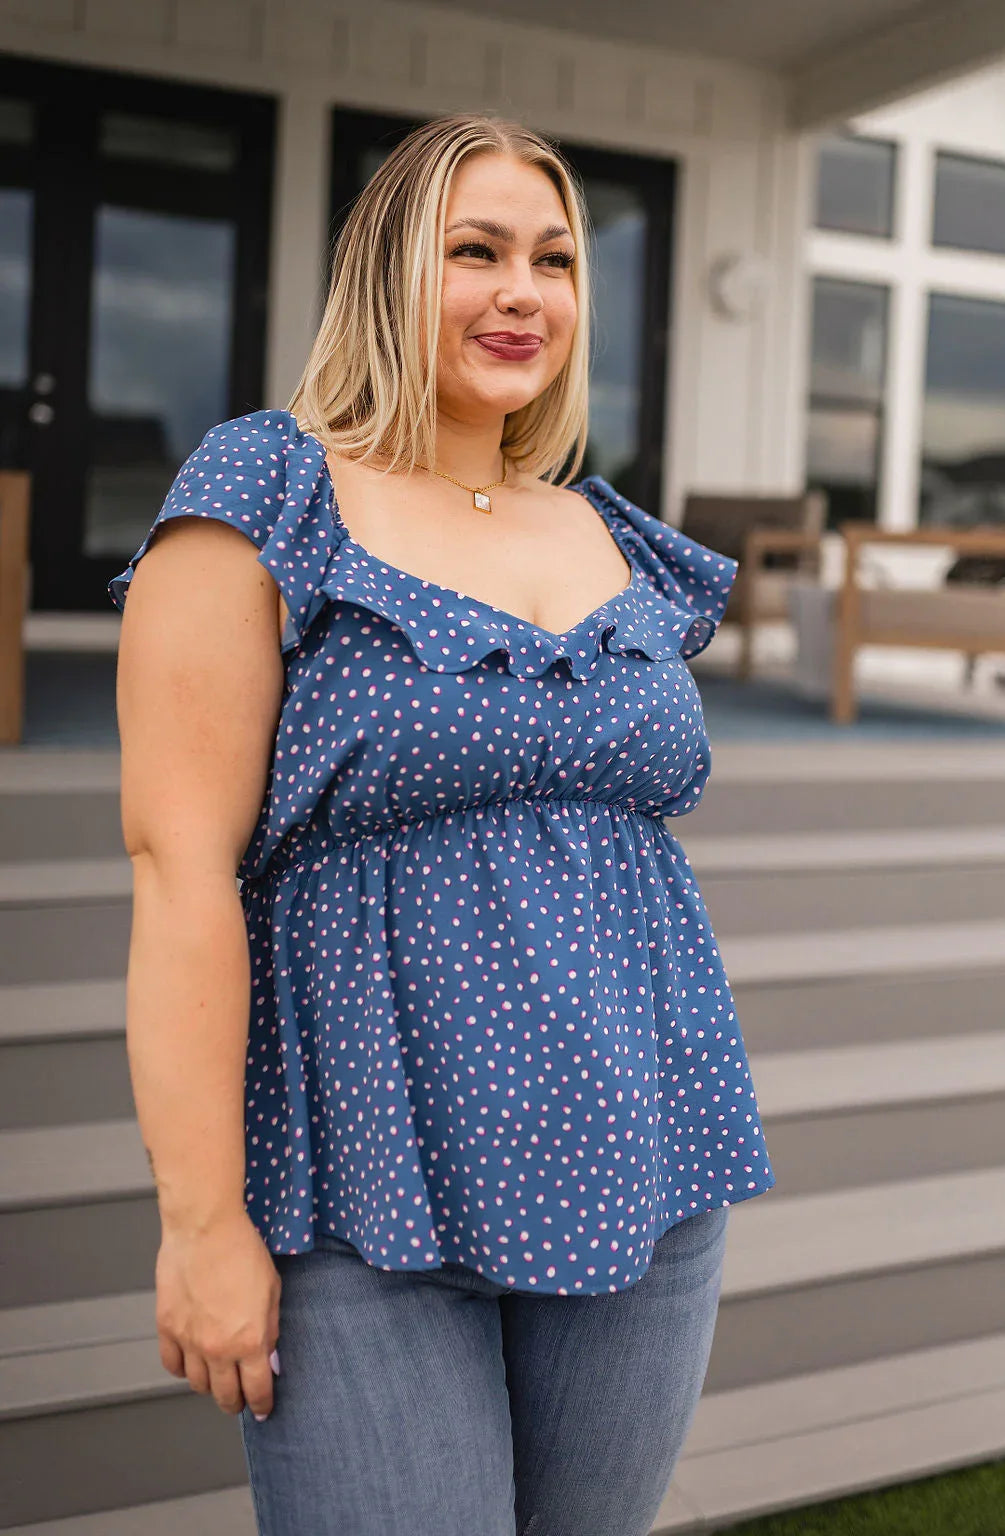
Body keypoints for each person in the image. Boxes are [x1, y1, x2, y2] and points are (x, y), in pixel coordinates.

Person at [108, 111, 776, 1536]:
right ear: (384, 271)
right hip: (363, 1184)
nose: (522, 291)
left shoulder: (603, 528)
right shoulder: (264, 494)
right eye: (475, 251)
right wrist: (200, 1219)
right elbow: (180, 874)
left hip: (641, 1159)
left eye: (553, 257)